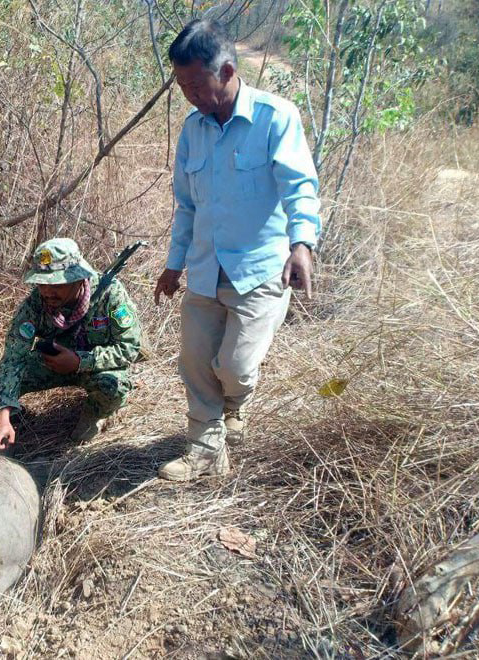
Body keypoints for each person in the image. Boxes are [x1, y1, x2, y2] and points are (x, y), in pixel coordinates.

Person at [153, 19, 320, 481]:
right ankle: (205, 450)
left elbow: (299, 187)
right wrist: (173, 266)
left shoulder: (275, 117)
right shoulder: (194, 130)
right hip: (206, 269)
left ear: (226, 72)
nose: (188, 93)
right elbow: (186, 206)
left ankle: (236, 402)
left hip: (262, 270)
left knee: (236, 365)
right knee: (193, 361)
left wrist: (301, 244)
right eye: (180, 84)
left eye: (194, 83)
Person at [0, 238, 141, 452]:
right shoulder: (35, 303)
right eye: (41, 283)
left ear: (79, 279)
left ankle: (94, 413)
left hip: (96, 367)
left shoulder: (110, 295)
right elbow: (13, 359)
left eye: (56, 284)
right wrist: (3, 414)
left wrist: (80, 361)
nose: (47, 292)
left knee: (113, 387)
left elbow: (129, 348)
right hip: (51, 363)